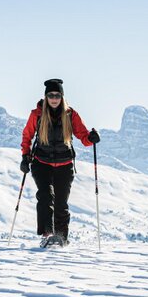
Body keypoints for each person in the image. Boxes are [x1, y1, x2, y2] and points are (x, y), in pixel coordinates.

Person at [20, 78, 100, 246]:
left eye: (57, 95)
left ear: (62, 97)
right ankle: (47, 234)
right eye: (51, 95)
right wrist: (25, 157)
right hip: (41, 162)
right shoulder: (37, 114)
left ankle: (61, 238)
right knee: (45, 196)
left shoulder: (70, 114)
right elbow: (27, 135)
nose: (54, 99)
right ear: (46, 96)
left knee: (61, 203)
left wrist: (91, 138)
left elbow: (83, 136)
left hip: (65, 164)